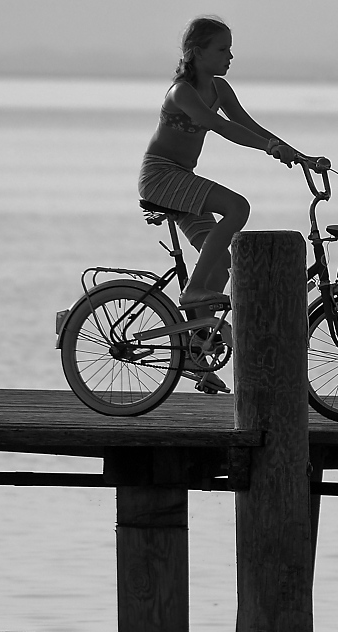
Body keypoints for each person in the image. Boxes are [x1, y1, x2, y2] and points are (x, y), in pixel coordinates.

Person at [138, 15, 299, 393]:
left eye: (230, 49)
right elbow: (221, 126)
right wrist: (269, 148)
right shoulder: (182, 93)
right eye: (222, 49)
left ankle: (197, 354)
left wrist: (293, 152)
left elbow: (249, 125)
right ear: (197, 53)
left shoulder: (220, 88)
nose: (230, 56)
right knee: (237, 207)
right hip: (162, 177)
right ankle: (192, 290)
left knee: (223, 266)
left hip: (181, 179)